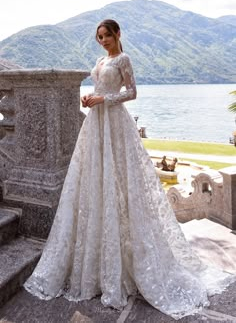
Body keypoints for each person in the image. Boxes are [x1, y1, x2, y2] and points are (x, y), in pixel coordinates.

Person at [24, 19, 235, 320]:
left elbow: (132, 92)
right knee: (93, 182)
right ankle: (95, 262)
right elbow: (98, 87)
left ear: (117, 34)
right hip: (96, 125)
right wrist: (89, 97)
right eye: (99, 37)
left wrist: (104, 98)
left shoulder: (124, 59)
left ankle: (127, 263)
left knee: (122, 183)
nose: (103, 41)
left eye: (106, 36)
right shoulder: (100, 60)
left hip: (116, 124)